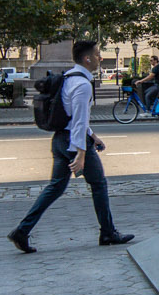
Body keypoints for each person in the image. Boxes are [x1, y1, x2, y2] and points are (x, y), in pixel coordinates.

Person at [8, 40, 133, 250]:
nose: (99, 58)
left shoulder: (68, 77)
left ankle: (22, 231)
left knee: (55, 187)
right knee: (99, 184)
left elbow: (72, 117)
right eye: (97, 54)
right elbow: (79, 121)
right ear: (87, 58)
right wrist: (81, 154)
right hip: (73, 142)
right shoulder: (83, 85)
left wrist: (93, 136)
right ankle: (108, 233)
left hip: (59, 139)